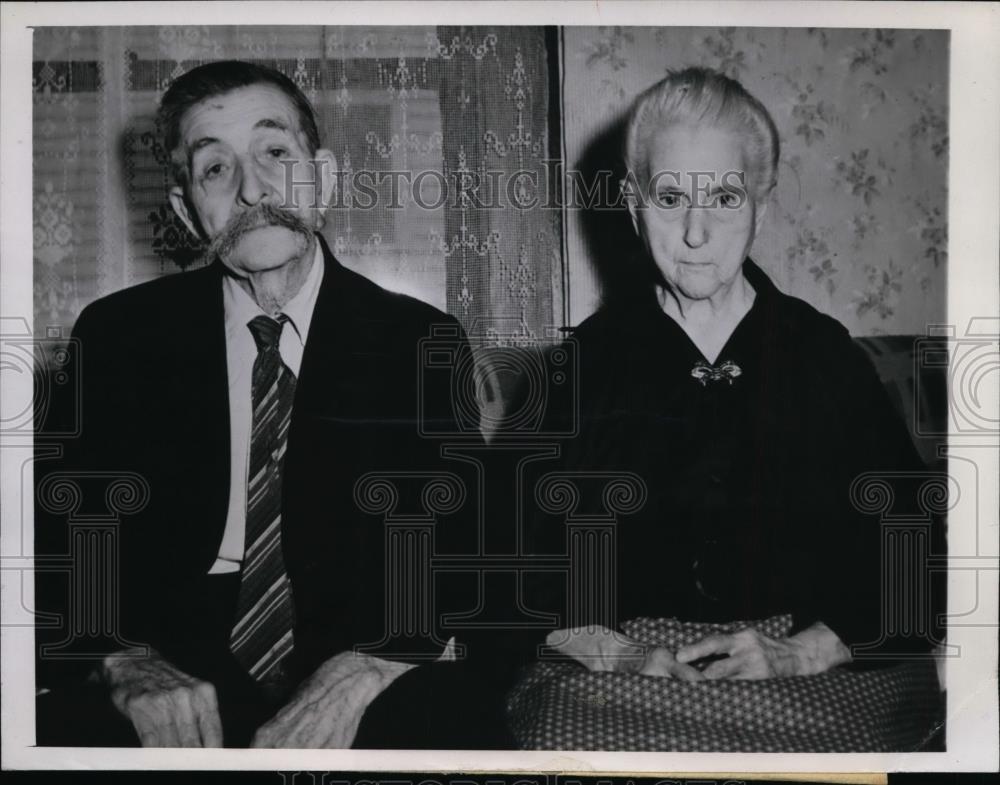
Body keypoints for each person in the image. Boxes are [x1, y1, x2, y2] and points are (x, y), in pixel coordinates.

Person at [35, 60, 511, 749]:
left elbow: (465, 552)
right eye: (215, 169)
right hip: (172, 649)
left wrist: (374, 663)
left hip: (361, 641)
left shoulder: (417, 339)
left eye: (274, 153)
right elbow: (62, 541)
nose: (253, 188)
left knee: (456, 731)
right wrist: (121, 659)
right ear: (183, 208)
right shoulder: (118, 336)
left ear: (326, 177)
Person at [525, 67, 942, 681]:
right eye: (670, 199)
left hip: (810, 677)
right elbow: (505, 567)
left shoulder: (825, 357)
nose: (697, 234)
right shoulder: (577, 368)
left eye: (724, 198)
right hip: (615, 682)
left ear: (762, 209)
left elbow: (922, 556)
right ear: (634, 206)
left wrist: (803, 653)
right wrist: (619, 654)